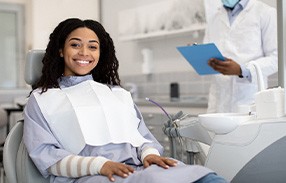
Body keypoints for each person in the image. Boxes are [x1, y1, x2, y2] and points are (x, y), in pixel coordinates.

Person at [23, 18, 228, 183]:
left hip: (142, 168)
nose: (84, 53)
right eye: (75, 45)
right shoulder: (43, 100)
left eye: (92, 47)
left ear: (100, 53)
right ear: (60, 50)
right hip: (92, 175)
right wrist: (99, 165)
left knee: (208, 177)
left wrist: (149, 155)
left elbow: (143, 138)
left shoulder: (118, 94)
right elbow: (47, 157)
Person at [204, 0, 278, 113]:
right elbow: (207, 50)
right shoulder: (214, 18)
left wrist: (242, 70)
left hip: (249, 101)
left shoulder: (266, 13)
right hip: (218, 104)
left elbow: (276, 58)